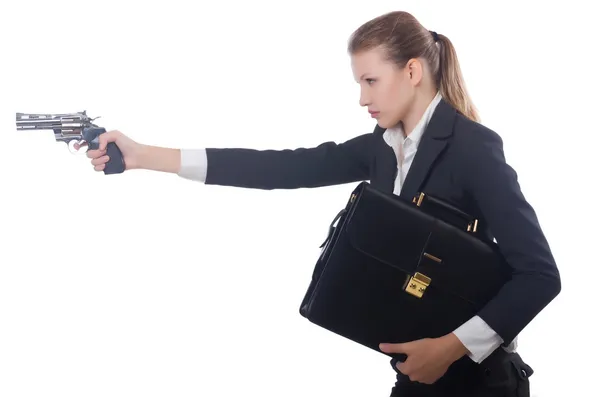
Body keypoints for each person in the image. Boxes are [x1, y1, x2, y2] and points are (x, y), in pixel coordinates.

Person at [85, 10, 560, 397]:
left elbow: (540, 275)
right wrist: (143, 156)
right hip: (416, 377)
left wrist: (452, 348)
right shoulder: (382, 147)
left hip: (480, 383)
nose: (361, 99)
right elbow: (281, 169)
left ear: (412, 71)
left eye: (371, 81)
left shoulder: (472, 147)